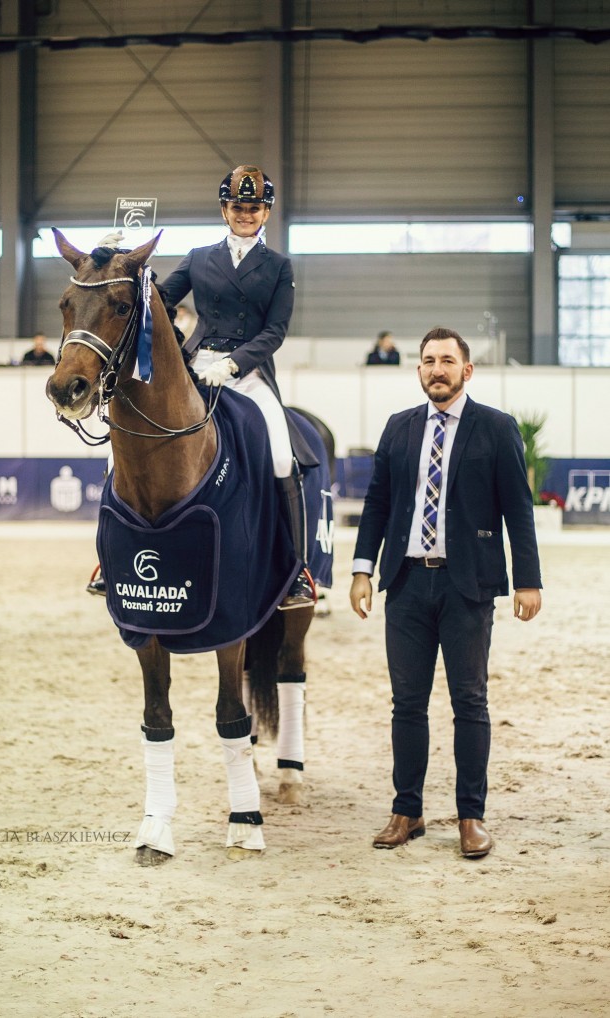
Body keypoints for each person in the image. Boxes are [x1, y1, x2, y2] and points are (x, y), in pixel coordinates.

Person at [349, 326, 542, 858]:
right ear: (419, 369)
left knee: (470, 702)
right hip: (406, 582)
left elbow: (518, 509)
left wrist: (528, 579)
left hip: (468, 586)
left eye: (447, 361)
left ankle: (470, 817)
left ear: (466, 370)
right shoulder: (399, 427)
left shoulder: (496, 428)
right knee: (407, 704)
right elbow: (377, 503)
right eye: (429, 360)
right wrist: (363, 569)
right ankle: (406, 810)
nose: (437, 369)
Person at [161, 164, 316, 609]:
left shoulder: (279, 266)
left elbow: (276, 331)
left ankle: (296, 572)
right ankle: (113, 554)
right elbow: (159, 301)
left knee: (282, 456)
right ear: (224, 210)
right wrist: (131, 272)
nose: (245, 215)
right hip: (195, 370)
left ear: (265, 213)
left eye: (254, 208)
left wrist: (234, 363)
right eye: (237, 207)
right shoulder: (198, 257)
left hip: (248, 375)